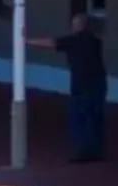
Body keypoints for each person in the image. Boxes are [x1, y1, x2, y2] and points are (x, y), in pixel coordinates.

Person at [45, 11, 108, 163]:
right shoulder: (95, 41)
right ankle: (96, 149)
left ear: (79, 26)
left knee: (78, 117)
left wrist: (26, 41)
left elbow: (51, 43)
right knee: (95, 117)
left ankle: (83, 150)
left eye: (74, 24)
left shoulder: (73, 41)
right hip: (98, 84)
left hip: (82, 85)